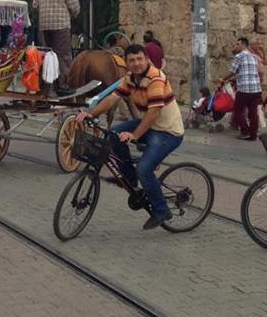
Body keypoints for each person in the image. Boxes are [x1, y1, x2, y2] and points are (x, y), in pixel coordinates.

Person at [76, 43, 185, 230]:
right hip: (151, 126)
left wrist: (134, 135)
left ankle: (161, 209)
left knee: (144, 168)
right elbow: (113, 98)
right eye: (132, 60)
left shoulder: (155, 79)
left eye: (140, 59)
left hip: (168, 131)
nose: (136, 64)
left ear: (147, 60)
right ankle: (130, 179)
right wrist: (91, 114)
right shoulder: (130, 78)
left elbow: (154, 113)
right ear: (126, 63)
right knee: (114, 135)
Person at [32, 0, 80, 95]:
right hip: (61, 24)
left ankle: (47, 86)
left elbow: (35, 4)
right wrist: (73, 15)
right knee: (63, 55)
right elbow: (74, 6)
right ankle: (63, 85)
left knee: (48, 56)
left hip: (44, 25)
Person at [219, 37, 262, 141]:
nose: (236, 46)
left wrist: (223, 78)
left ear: (243, 45)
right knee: (253, 113)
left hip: (244, 89)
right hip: (256, 89)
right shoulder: (254, 57)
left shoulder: (239, 56)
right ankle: (253, 134)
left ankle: (245, 131)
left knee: (237, 110)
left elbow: (233, 71)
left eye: (238, 44)